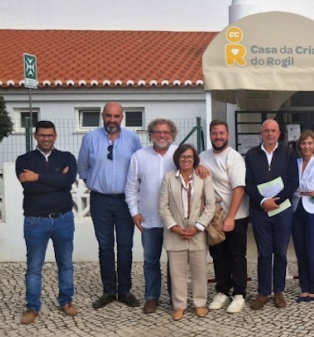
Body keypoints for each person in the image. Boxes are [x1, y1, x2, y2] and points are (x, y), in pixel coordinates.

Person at [78, 102, 142, 309]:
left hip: (125, 201)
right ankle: (108, 291)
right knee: (105, 247)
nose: (112, 120)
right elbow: (83, 169)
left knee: (125, 246)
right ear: (102, 116)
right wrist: (97, 185)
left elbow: (139, 167)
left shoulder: (132, 139)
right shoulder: (89, 139)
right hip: (100, 200)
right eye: (108, 116)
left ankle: (124, 290)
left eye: (116, 116)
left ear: (122, 118)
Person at [16, 121, 78, 324]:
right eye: (42, 135)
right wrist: (55, 179)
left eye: (50, 135)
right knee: (34, 266)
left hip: (64, 219)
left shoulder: (67, 157)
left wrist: (38, 177)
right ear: (35, 136)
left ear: (55, 136)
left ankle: (66, 301)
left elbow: (67, 182)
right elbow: (30, 189)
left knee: (66, 264)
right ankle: (32, 307)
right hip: (35, 221)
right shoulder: (23, 159)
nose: (46, 139)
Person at [245, 119, 299, 310]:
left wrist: (275, 201)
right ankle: (263, 293)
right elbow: (248, 183)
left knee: (281, 253)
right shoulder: (251, 155)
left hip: (282, 210)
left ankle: (278, 291)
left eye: (273, 131)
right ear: (261, 132)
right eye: (266, 131)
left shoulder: (289, 153)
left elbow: (293, 181)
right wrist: (262, 201)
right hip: (260, 211)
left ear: (279, 133)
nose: (269, 134)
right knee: (264, 253)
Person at [125, 119, 178, 314]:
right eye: (157, 132)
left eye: (166, 132)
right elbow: (131, 187)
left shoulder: (179, 154)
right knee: (150, 261)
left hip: (175, 220)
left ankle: (176, 297)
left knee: (175, 260)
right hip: (149, 219)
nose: (162, 135)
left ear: (172, 134)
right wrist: (134, 212)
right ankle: (152, 297)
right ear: (150, 134)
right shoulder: (139, 156)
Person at [159, 144, 215, 320]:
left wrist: (198, 227)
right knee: (177, 273)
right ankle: (179, 305)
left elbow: (211, 205)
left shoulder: (203, 178)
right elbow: (162, 207)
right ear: (177, 159)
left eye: (190, 157)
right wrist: (174, 227)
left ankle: (199, 303)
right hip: (175, 234)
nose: (186, 160)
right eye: (183, 157)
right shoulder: (169, 178)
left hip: (197, 233)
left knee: (199, 272)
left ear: (195, 159)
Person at [199, 120, 250, 314]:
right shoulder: (202, 157)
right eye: (214, 133)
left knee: (236, 255)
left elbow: (239, 188)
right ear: (210, 135)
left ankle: (239, 293)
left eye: (221, 133)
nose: (218, 136)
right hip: (213, 218)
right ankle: (222, 291)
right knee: (218, 255)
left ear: (227, 135)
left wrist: (230, 217)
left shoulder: (234, 157)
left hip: (235, 215)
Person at [291, 130, 314, 303]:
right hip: (296, 209)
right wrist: (303, 189)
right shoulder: (295, 162)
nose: (306, 146)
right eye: (304, 143)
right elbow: (290, 183)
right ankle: (304, 288)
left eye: (310, 143)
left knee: (313, 251)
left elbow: (313, 184)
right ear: (299, 145)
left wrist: (299, 187)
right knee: (301, 251)